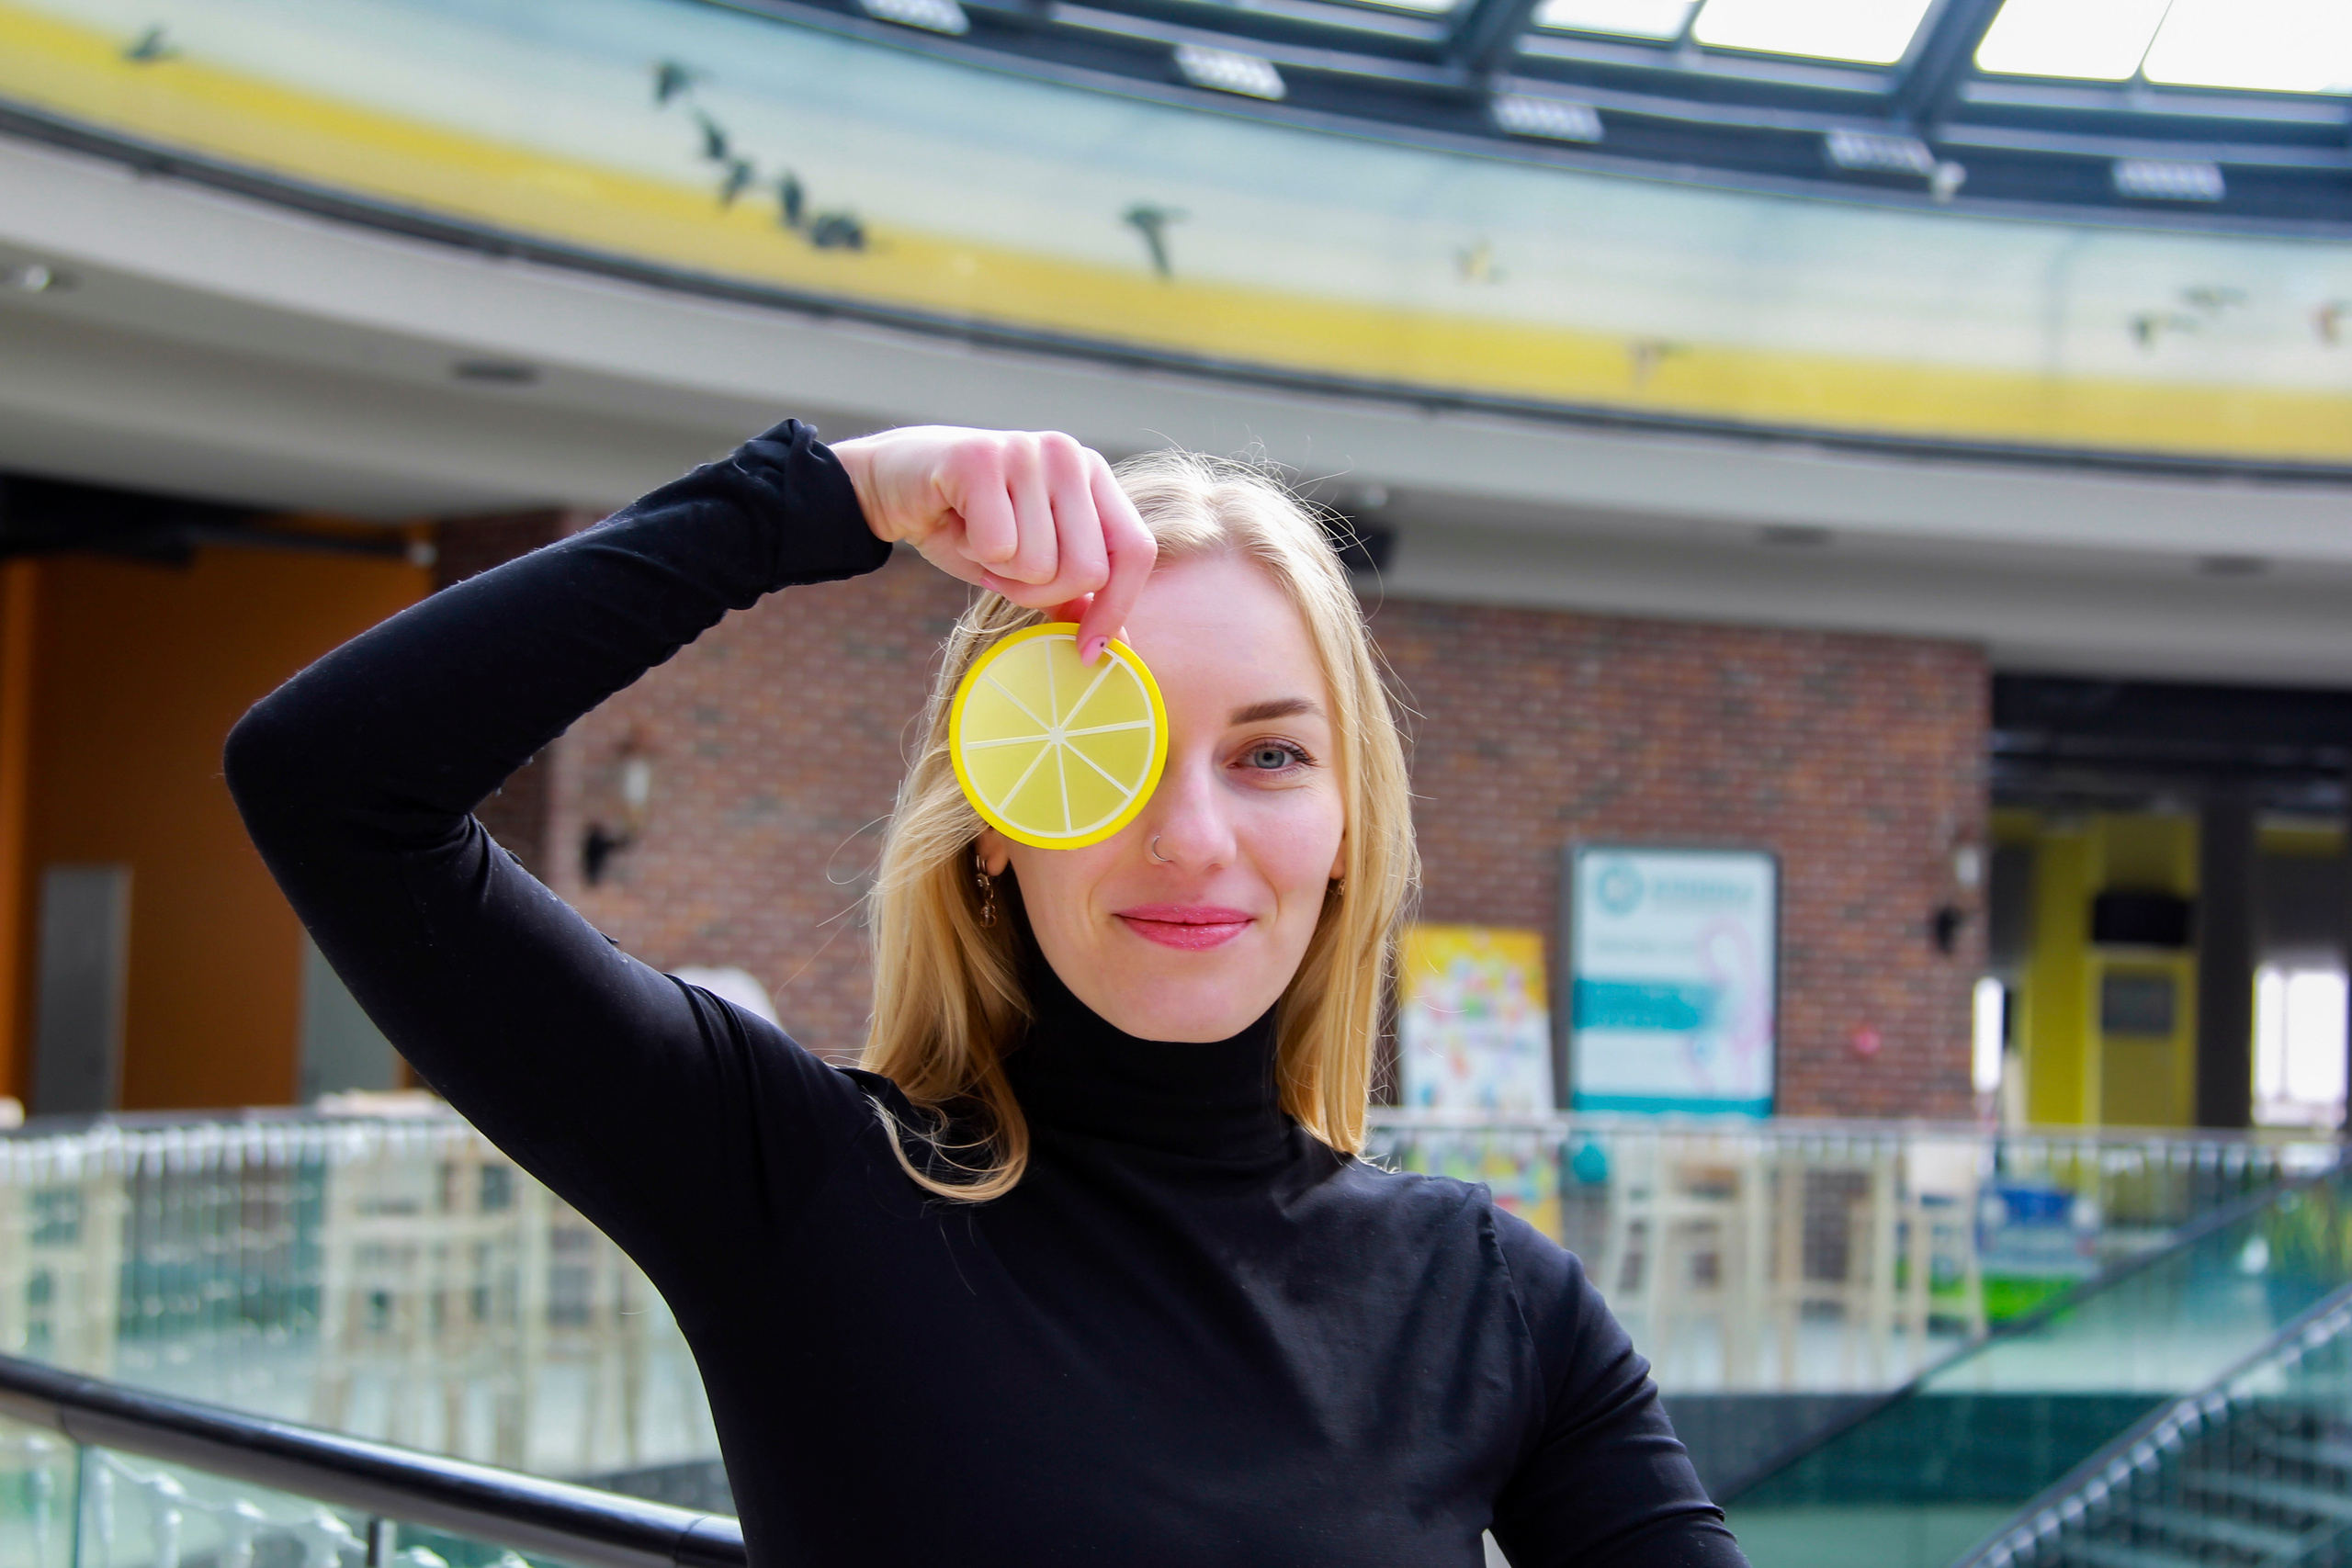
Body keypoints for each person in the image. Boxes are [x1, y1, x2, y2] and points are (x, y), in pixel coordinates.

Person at [227, 420, 1747, 1567]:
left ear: (1350, 836)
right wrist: (831, 496)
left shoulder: (1495, 1304)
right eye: (1112, 743)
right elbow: (328, 786)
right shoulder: (800, 1182)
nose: (1193, 835)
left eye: (1271, 754)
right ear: (995, 831)